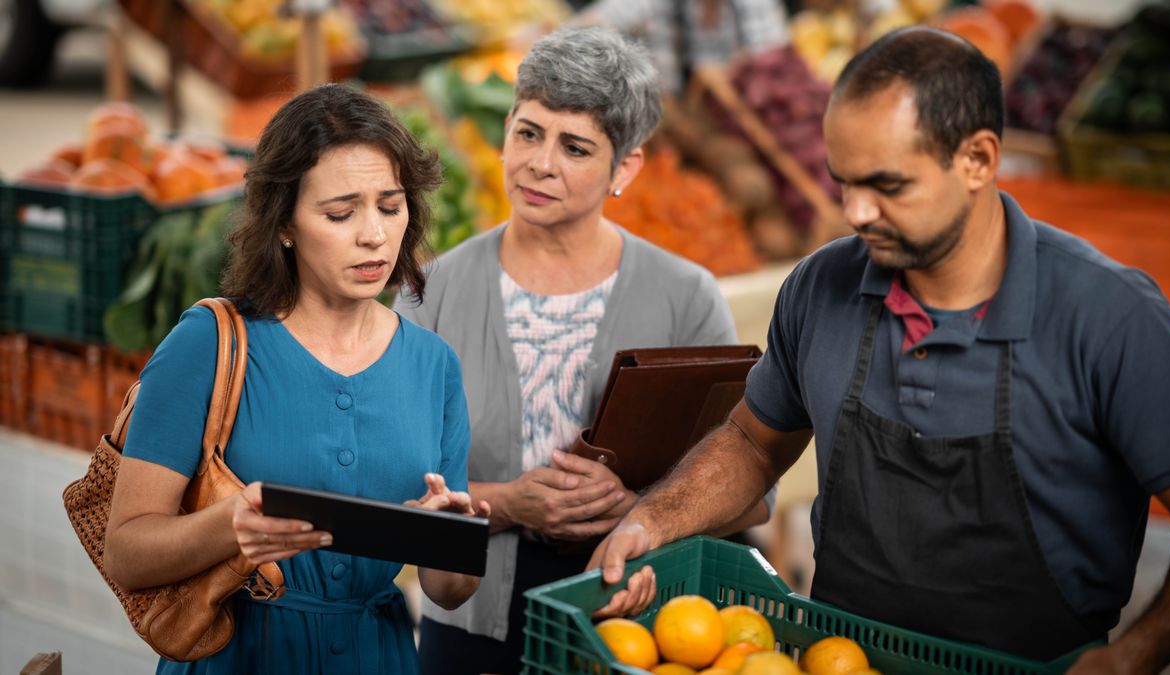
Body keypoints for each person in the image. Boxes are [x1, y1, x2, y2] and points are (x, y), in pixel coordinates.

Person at [589, 26, 1170, 672]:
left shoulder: (1108, 316)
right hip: (839, 659)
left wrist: (1135, 655)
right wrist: (652, 518)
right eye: (843, 182)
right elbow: (750, 443)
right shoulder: (821, 285)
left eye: (887, 186)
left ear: (979, 160)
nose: (854, 211)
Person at [394, 27, 774, 675]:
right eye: (528, 132)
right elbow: (394, 486)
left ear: (624, 167)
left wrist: (640, 509)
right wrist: (511, 501)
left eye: (575, 147)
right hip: (471, 629)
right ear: (507, 126)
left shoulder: (686, 296)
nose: (540, 163)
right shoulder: (430, 295)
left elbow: (749, 494)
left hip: (641, 633)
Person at [103, 83, 486, 674]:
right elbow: (126, 552)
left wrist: (450, 536)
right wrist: (228, 527)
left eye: (391, 205)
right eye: (340, 213)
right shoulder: (209, 344)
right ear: (283, 223)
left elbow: (448, 590)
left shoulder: (434, 365)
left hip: (378, 657)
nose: (374, 235)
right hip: (238, 655)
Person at [571, 0, 790, 95]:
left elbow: (774, 58)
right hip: (672, 103)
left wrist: (732, 73)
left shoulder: (755, 4)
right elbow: (608, 15)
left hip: (734, 108)